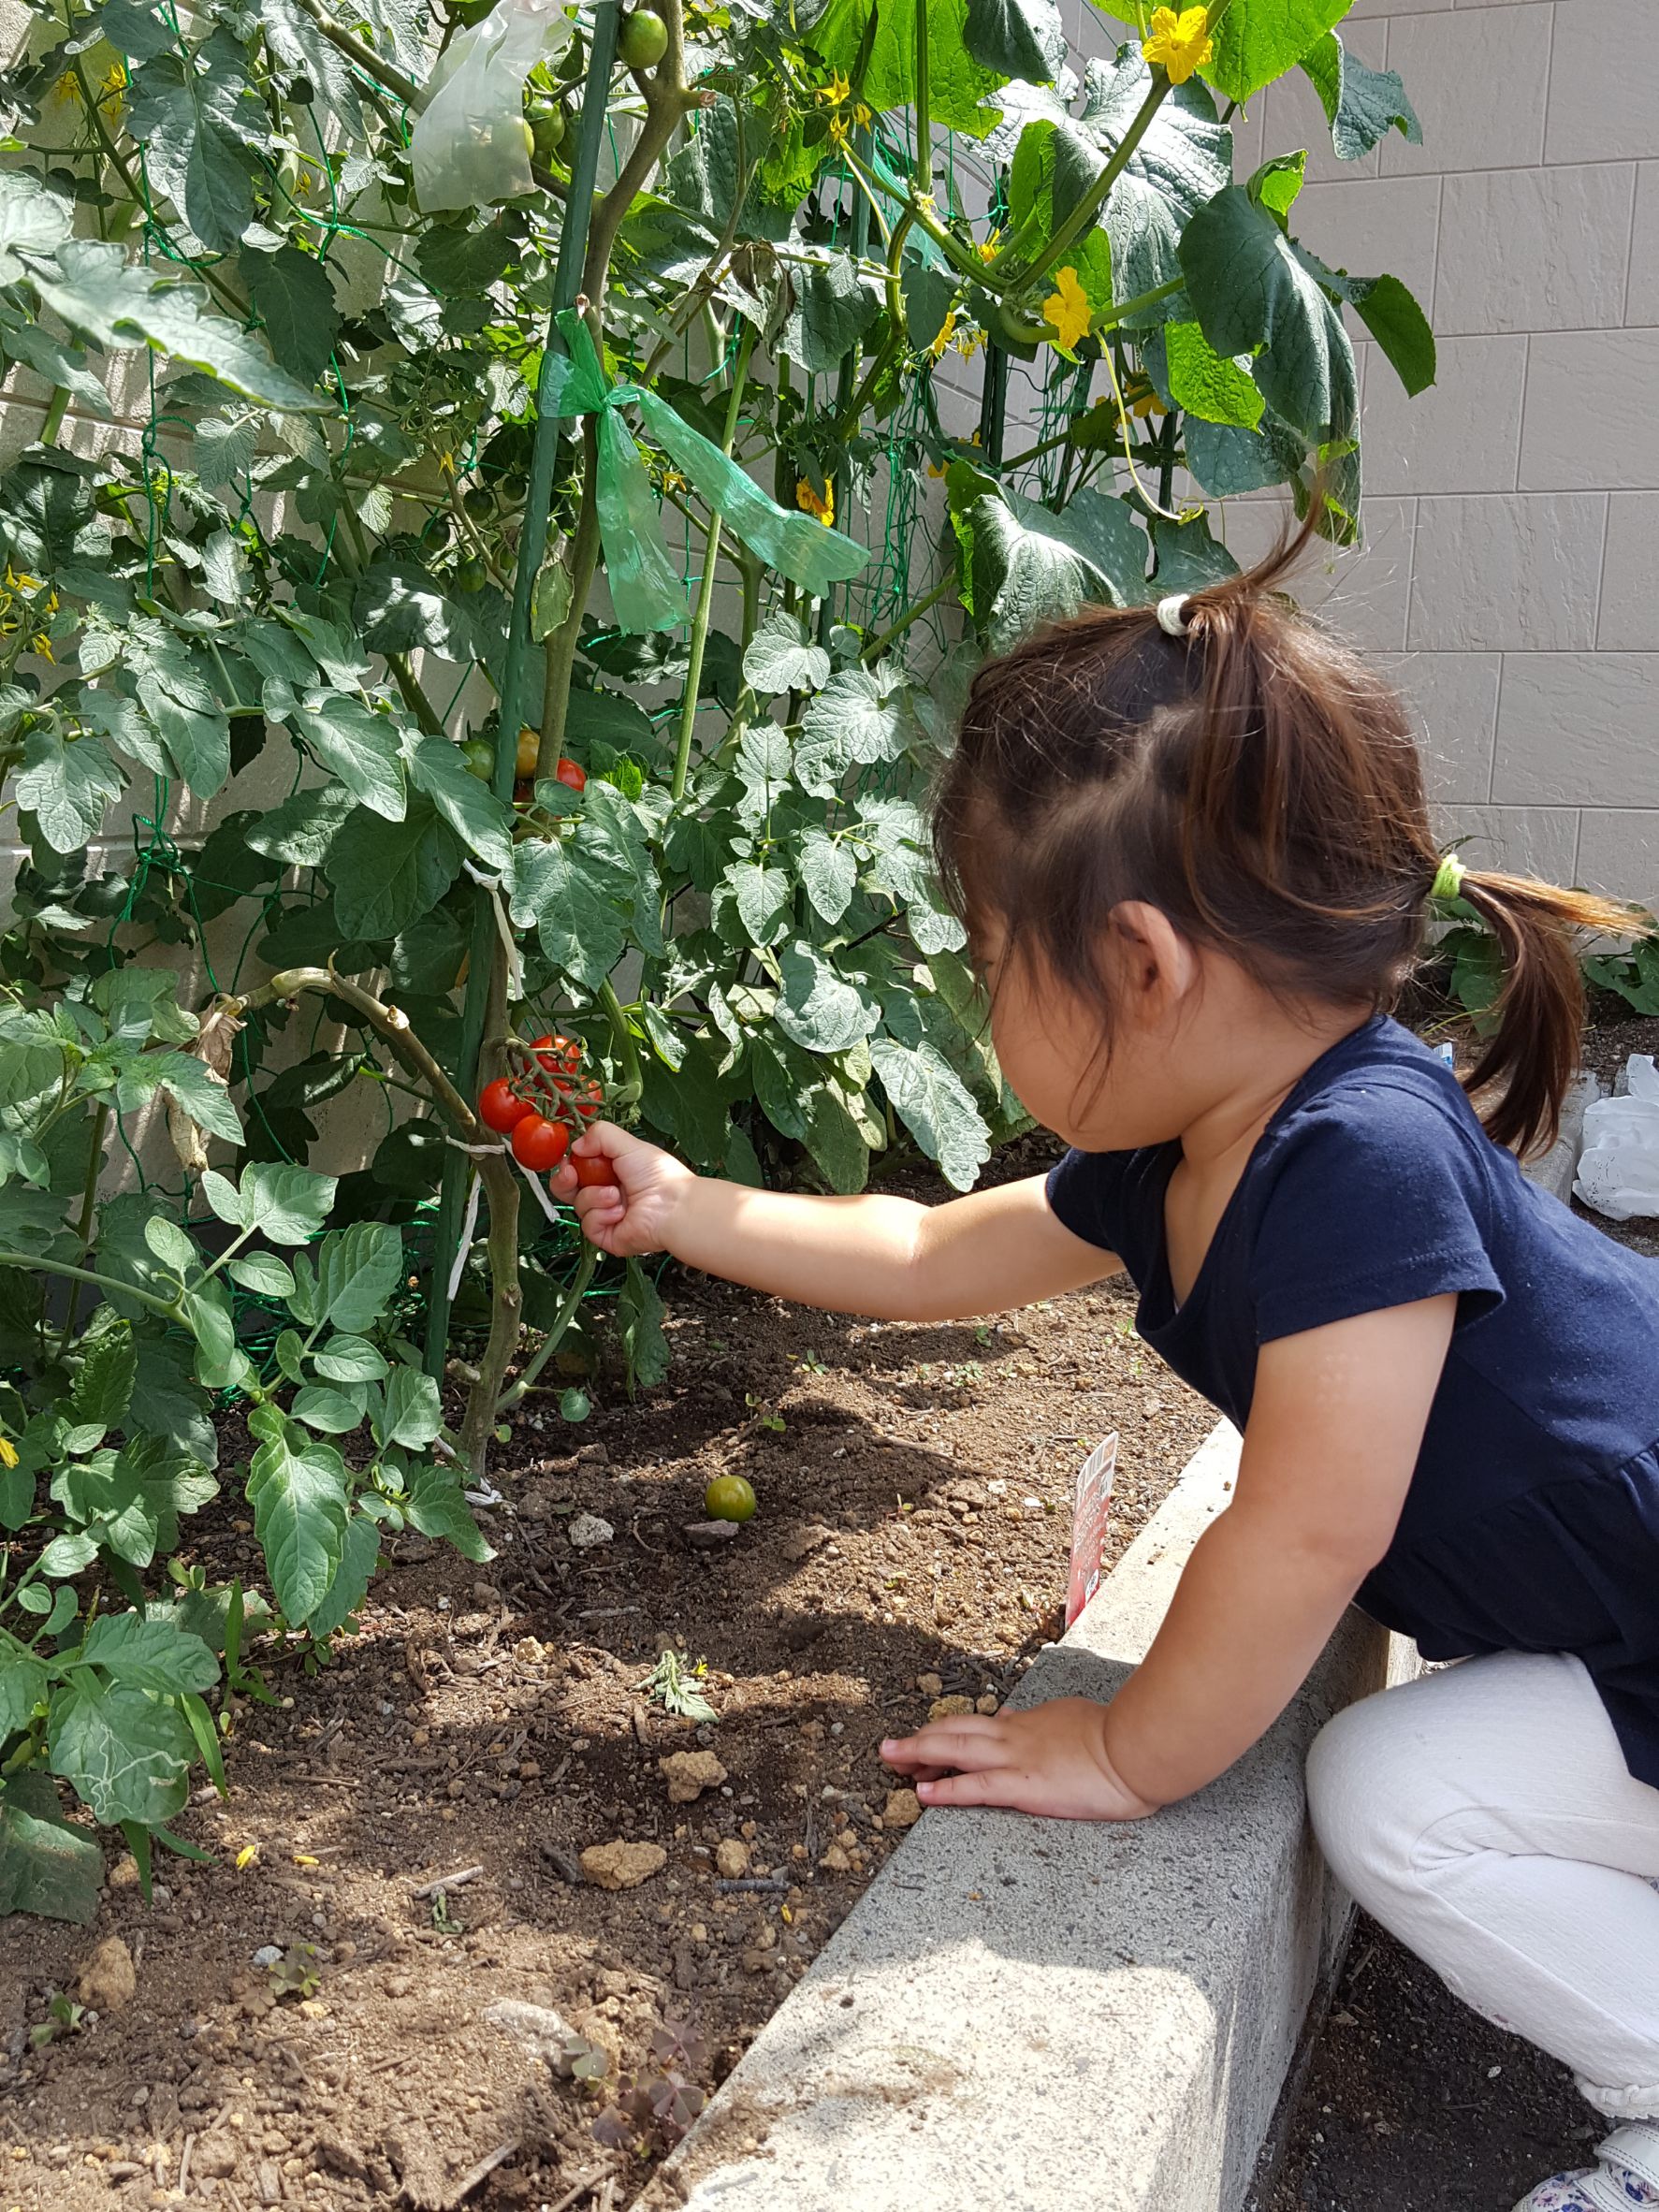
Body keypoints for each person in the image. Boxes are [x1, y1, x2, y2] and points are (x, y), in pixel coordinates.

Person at [551, 522, 1659, 2212]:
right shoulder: (1193, 1143)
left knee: (1394, 1794)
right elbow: (934, 1255)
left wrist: (1134, 1751)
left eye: (989, 961)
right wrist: (691, 1207)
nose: (979, 1001)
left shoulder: (1355, 1158)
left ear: (1140, 966)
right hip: (1618, 1635)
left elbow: (1308, 1530)